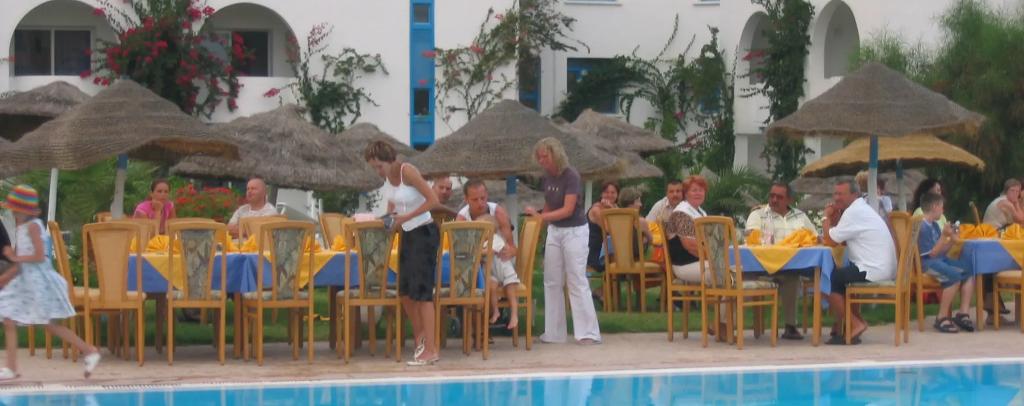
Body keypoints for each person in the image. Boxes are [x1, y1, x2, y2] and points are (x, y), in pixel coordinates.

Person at [0, 185, 101, 380]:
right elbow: (22, 263)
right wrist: (7, 277)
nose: (13, 214)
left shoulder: (33, 226)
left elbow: (39, 256)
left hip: (39, 282)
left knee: (49, 324)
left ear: (26, 211)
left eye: (16, 210)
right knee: (9, 317)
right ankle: (11, 367)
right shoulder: (21, 229)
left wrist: (14, 257)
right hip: (25, 281)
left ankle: (89, 350)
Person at [364, 141, 441, 365]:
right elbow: (392, 206)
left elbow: (433, 200)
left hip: (424, 232)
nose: (378, 171)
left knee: (423, 293)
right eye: (374, 168)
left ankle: (431, 349)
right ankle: (421, 338)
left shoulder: (407, 171)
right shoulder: (389, 179)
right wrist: (385, 220)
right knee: (405, 293)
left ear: (390, 160)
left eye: (379, 166)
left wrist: (406, 217)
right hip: (408, 234)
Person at [525, 137, 602, 345]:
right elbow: (549, 205)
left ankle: (588, 333)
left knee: (576, 279)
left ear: (556, 154)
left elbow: (568, 209)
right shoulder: (547, 178)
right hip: (555, 231)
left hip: (575, 231)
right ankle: (554, 332)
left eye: (545, 156)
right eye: (539, 157)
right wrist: (539, 223)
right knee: (551, 280)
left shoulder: (571, 176)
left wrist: (541, 217)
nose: (542, 160)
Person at [823, 180, 897, 345]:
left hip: (873, 269)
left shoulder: (854, 212)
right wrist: (834, 221)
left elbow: (829, 241)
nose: (836, 198)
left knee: (827, 278)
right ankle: (850, 323)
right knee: (840, 275)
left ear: (854, 195)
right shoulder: (860, 209)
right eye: (835, 194)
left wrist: (825, 216)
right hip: (881, 267)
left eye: (841, 194)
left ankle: (855, 324)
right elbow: (841, 239)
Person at [744, 182, 816, 340]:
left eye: (779, 197)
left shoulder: (800, 216)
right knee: (740, 277)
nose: (774, 200)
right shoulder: (758, 215)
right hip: (760, 267)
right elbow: (752, 239)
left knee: (792, 278)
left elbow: (813, 239)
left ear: (789, 200)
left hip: (789, 267)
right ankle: (724, 324)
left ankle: (790, 326)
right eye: (772, 196)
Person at [456, 180, 520, 330]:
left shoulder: (498, 213)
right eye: (475, 199)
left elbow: (513, 248)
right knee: (475, 282)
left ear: (487, 195)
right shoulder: (462, 219)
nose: (480, 203)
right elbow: (459, 254)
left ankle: (481, 330)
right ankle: (478, 330)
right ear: (466, 199)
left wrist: (509, 251)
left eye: (483, 198)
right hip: (476, 268)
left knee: (487, 282)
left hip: (498, 266)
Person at [917, 192, 975, 333]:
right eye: (941, 207)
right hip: (927, 264)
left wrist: (952, 241)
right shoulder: (922, 227)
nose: (943, 210)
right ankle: (941, 317)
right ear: (934, 206)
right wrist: (944, 236)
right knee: (954, 276)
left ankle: (963, 313)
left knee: (969, 271)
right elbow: (931, 254)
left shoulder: (935, 225)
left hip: (939, 259)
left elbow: (941, 250)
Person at [664, 176, 709, 284]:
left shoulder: (701, 212)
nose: (698, 193)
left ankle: (723, 296)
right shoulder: (681, 213)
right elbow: (690, 246)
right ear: (686, 193)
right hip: (685, 265)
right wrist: (715, 257)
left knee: (738, 269)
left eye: (701, 190)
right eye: (694, 190)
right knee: (727, 271)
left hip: (700, 261)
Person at [586, 181, 619, 273]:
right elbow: (610, 230)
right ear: (601, 194)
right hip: (596, 252)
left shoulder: (614, 207)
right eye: (606, 192)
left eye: (613, 192)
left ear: (617, 195)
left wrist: (612, 208)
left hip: (608, 250)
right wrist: (612, 209)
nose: (610, 195)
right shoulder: (596, 210)